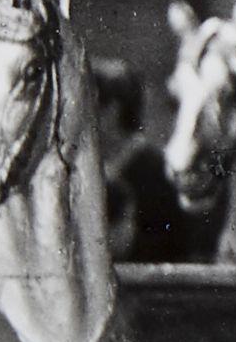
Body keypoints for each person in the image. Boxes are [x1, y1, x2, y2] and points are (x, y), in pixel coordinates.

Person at [86, 54, 201, 262]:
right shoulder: (86, 167)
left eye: (90, 107)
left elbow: (172, 246)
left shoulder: (155, 171)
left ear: (113, 109)